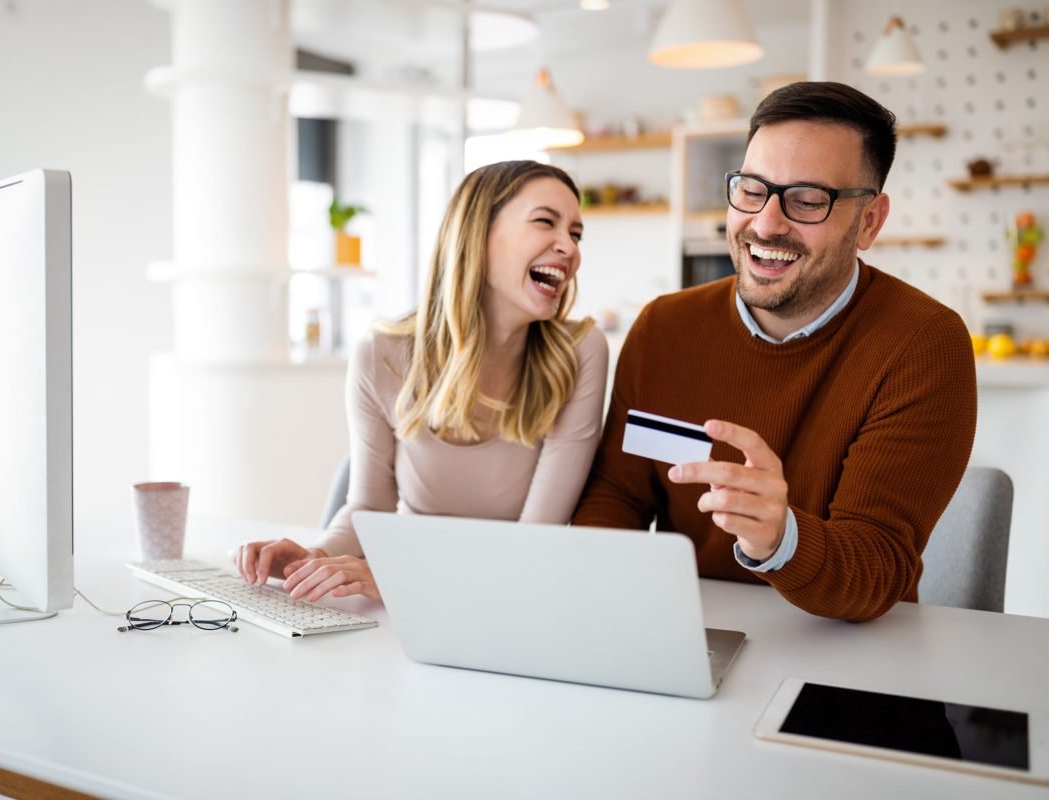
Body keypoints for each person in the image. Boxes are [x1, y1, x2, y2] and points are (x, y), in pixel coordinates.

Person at [573, 82, 976, 622]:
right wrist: (598, 607)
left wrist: (781, 538)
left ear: (870, 222)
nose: (765, 223)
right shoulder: (663, 328)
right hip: (688, 633)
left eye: (808, 201)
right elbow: (616, 498)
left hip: (847, 662)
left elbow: (879, 566)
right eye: (751, 189)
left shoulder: (923, 344)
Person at [235, 160, 608, 603]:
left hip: (507, 601)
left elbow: (533, 545)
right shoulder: (380, 355)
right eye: (546, 222)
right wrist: (310, 556)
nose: (569, 247)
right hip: (408, 604)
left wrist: (398, 578)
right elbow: (368, 508)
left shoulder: (578, 352)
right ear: (477, 234)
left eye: (576, 233)